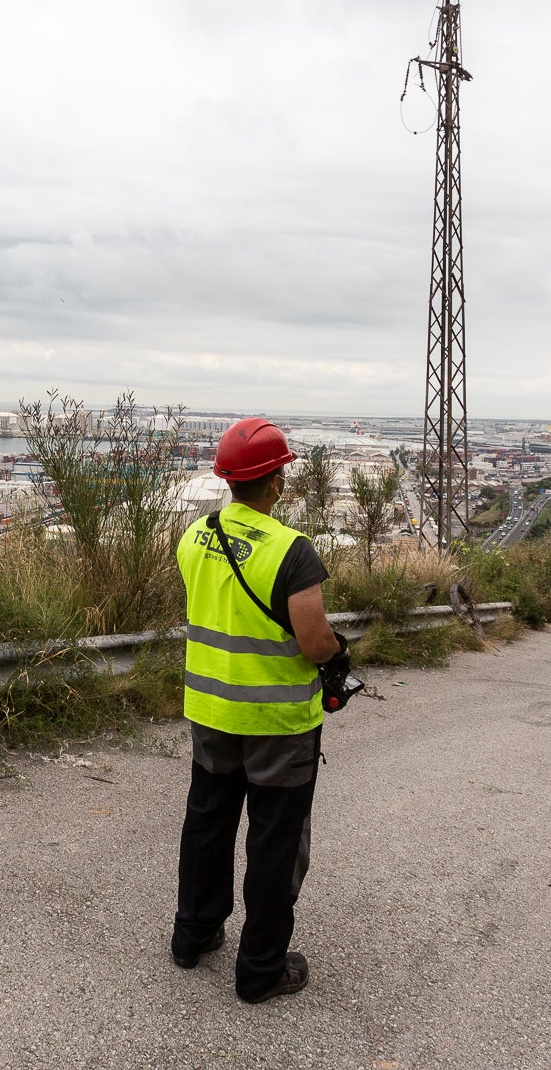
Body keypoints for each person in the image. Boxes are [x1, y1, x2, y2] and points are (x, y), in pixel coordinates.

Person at [170, 417, 348, 1003]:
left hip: (211, 711)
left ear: (227, 479)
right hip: (277, 724)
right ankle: (261, 970)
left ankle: (192, 936)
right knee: (274, 843)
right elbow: (314, 641)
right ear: (274, 483)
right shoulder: (291, 551)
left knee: (208, 826)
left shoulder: (194, 537)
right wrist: (341, 652)